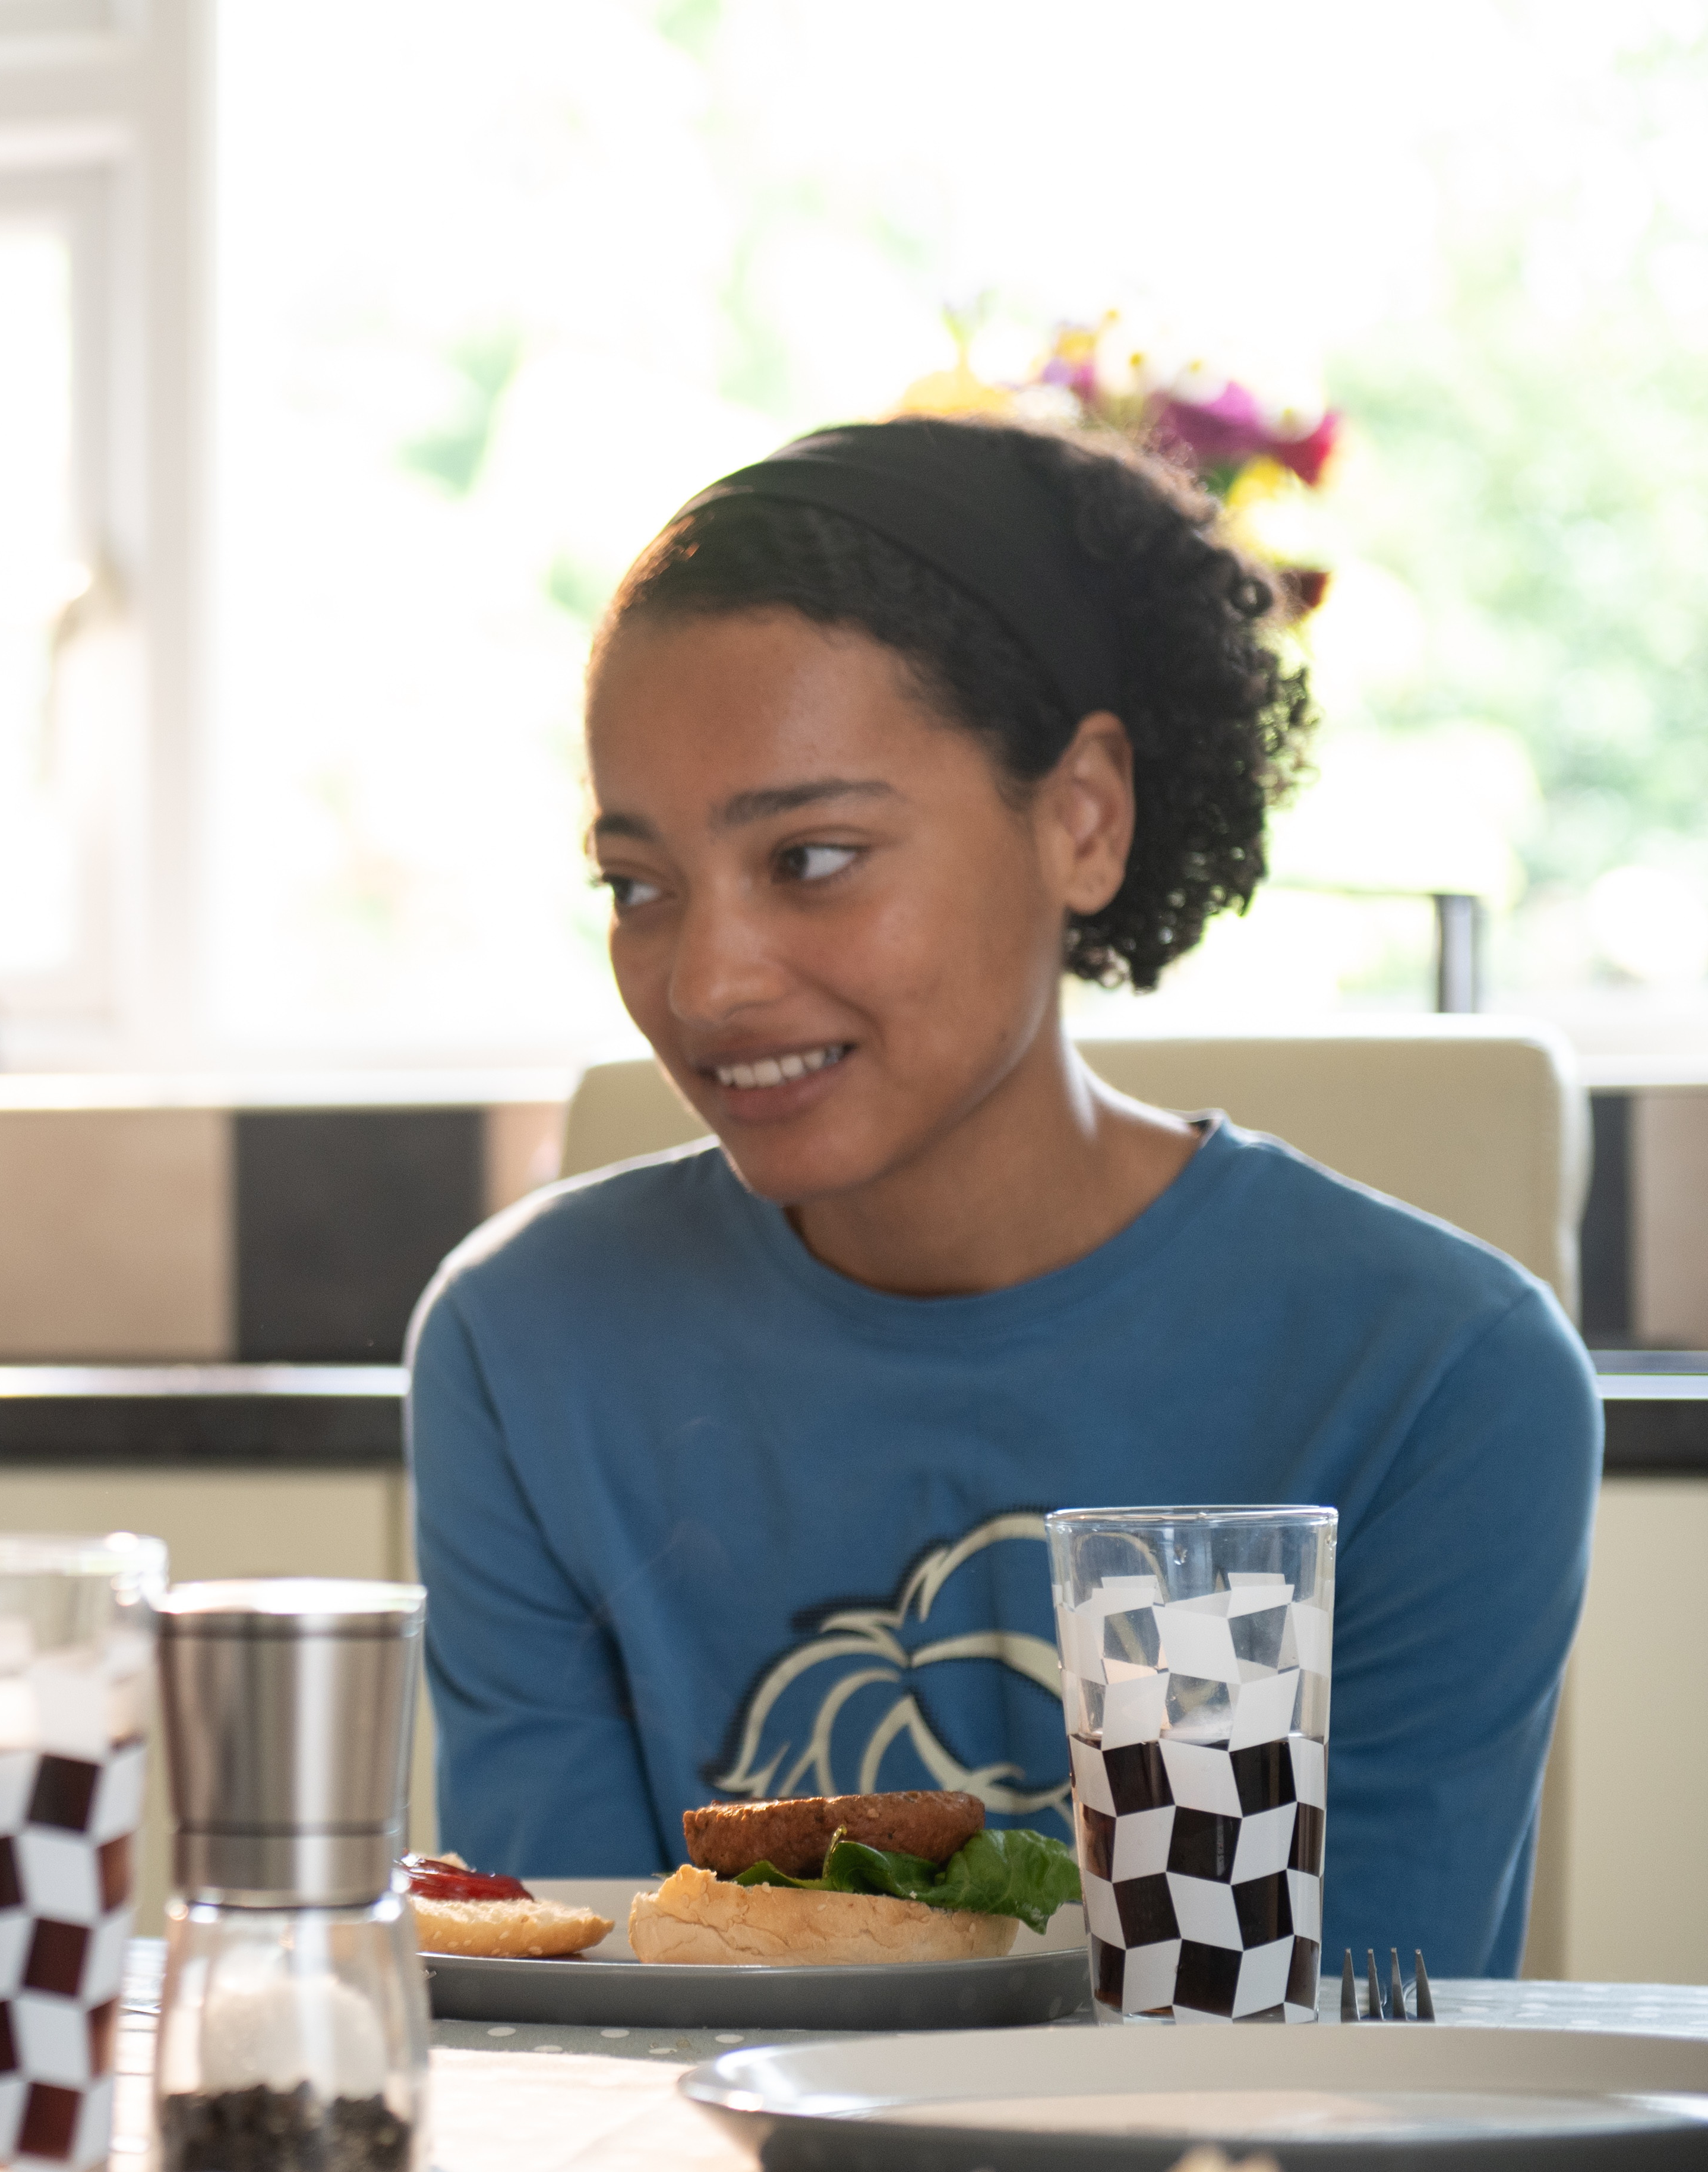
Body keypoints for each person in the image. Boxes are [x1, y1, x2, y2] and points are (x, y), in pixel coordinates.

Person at [410, 414, 1597, 1978]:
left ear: (1080, 820)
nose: (702, 980)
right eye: (638, 886)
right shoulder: (524, 1349)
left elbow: (1324, 2059)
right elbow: (566, 1993)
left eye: (815, 857)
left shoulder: (1443, 1378)